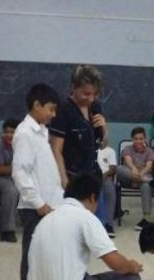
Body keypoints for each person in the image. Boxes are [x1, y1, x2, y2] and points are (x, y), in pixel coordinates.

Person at [12, 83, 63, 280]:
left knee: (44, 256)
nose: (53, 115)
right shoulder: (24, 133)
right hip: (36, 208)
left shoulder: (41, 131)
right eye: (50, 110)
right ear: (37, 105)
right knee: (32, 257)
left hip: (49, 204)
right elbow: (20, 173)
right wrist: (38, 203)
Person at [49, 65, 108, 226]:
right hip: (72, 177)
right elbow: (56, 149)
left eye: (94, 94)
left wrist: (104, 128)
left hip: (93, 176)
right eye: (86, 93)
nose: (90, 98)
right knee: (74, 226)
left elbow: (103, 145)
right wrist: (65, 182)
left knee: (96, 226)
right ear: (73, 87)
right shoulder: (63, 110)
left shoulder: (95, 107)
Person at [116, 127, 154, 231]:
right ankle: (149, 181)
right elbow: (128, 161)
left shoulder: (149, 151)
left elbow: (148, 167)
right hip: (128, 178)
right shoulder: (127, 149)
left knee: (145, 185)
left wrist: (139, 176)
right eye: (136, 139)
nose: (138, 141)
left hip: (142, 178)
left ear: (145, 139)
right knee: (119, 169)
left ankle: (146, 218)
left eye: (141, 138)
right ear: (132, 139)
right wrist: (134, 170)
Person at [0, 118, 20, 243]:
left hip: (15, 177)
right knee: (11, 190)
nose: (8, 135)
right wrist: (18, 169)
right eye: (6, 132)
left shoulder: (21, 145)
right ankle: (8, 230)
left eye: (12, 132)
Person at [97, 138, 117, 238]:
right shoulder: (91, 149)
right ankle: (98, 224)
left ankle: (108, 224)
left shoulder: (110, 151)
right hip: (92, 176)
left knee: (110, 190)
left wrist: (103, 176)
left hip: (106, 177)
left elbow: (113, 168)